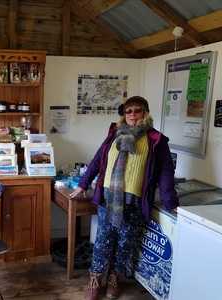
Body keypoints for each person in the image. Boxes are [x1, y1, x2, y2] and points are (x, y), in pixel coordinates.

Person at [70, 96, 178, 300]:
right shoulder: (114, 134)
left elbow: (166, 172)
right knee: (103, 241)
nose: (133, 115)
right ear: (124, 115)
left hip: (134, 202)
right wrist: (83, 184)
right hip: (108, 198)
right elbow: (97, 161)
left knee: (125, 243)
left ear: (145, 113)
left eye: (137, 111)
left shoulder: (156, 140)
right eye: (128, 111)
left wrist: (171, 202)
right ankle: (94, 279)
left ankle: (114, 279)